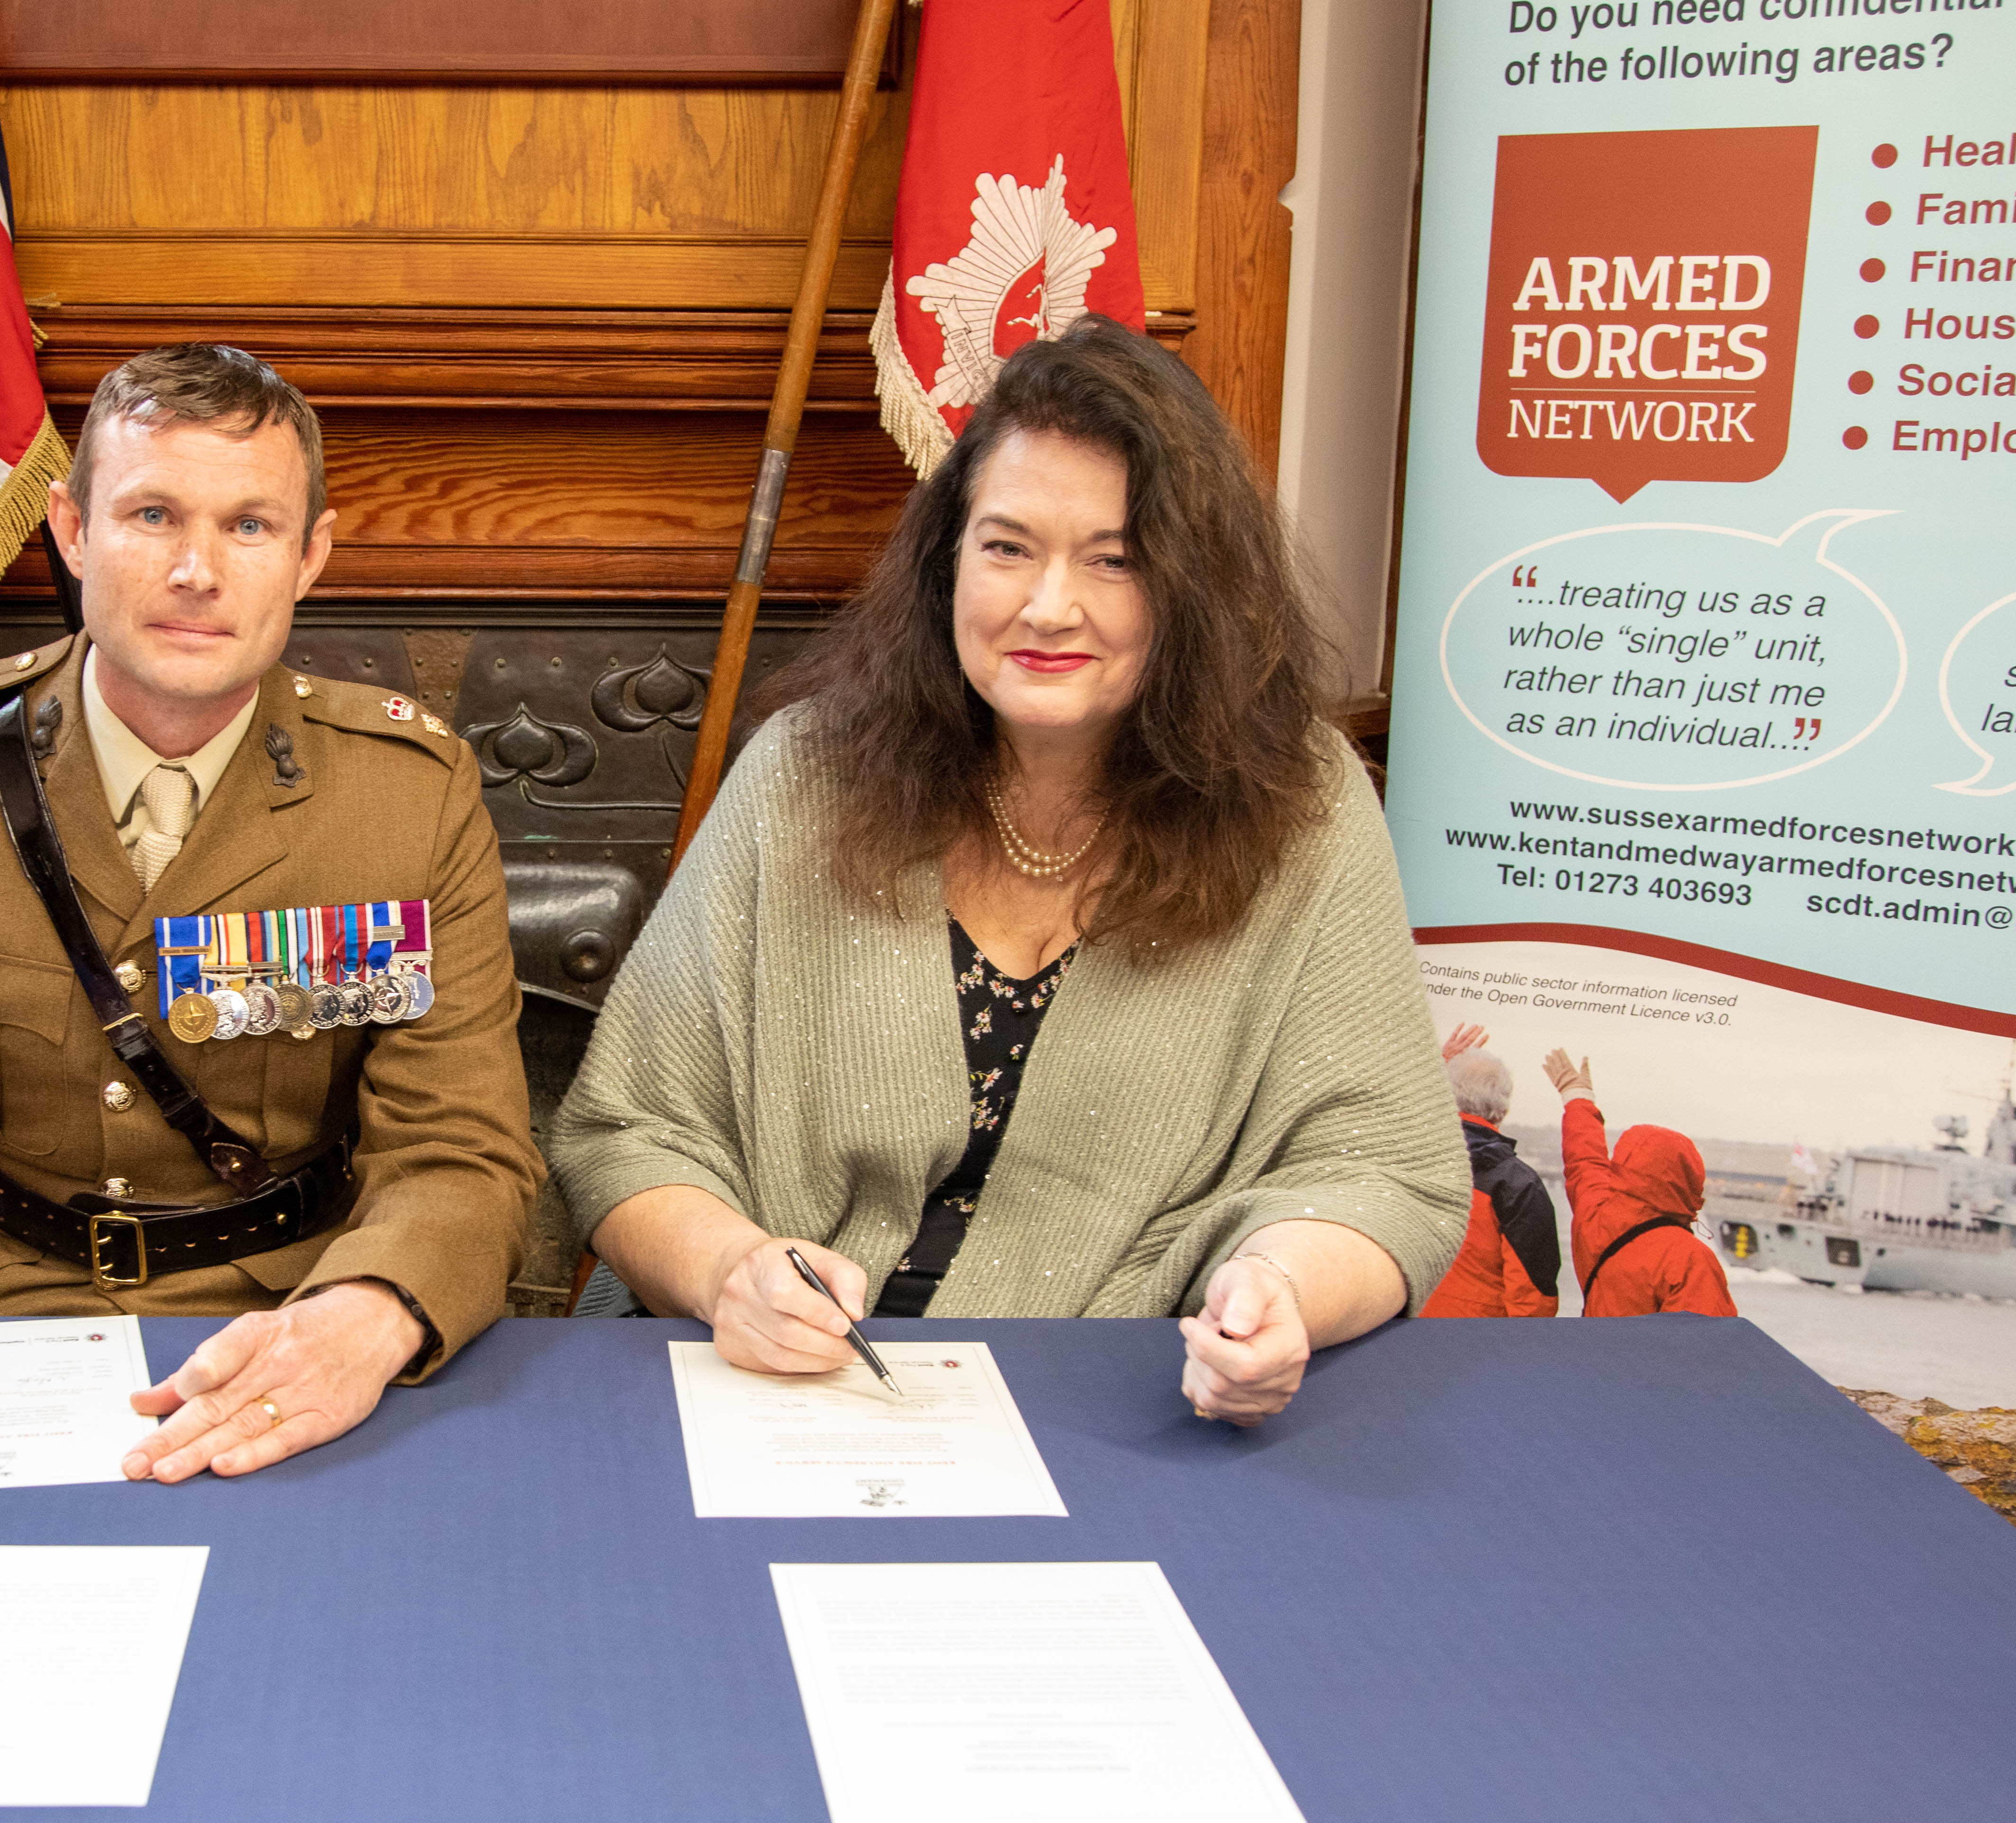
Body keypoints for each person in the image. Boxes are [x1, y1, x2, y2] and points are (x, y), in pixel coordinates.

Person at [547, 317, 1467, 1426]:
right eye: (1007, 546)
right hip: (775, 1397)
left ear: (1193, 585)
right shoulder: (800, 778)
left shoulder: (1303, 809)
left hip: (1123, 1404)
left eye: (1112, 559)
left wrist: (1279, 1287)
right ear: (947, 564)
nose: (1046, 606)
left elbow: (1382, 1172)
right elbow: (623, 1131)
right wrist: (728, 1270)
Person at [0, 345, 541, 1481]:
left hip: (287, 1315)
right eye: (151, 515)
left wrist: (371, 1310)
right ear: (70, 528)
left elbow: (462, 1148)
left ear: (310, 557)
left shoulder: (404, 794)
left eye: (249, 526)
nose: (196, 569)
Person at [1539, 1047, 1738, 1317]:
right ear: (1689, 1180)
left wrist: (1576, 1095)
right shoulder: (1689, 1258)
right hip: (1647, 1362)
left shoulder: (1595, 1214)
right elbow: (1706, 1348)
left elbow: (1584, 1160)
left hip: (1593, 1356)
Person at [1420, 1024, 1563, 1318]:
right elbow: (1532, 1298)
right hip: (1475, 1343)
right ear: (1503, 1111)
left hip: (1397, 1333)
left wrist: (1437, 1073)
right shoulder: (1518, 1186)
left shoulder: (1410, 1156)